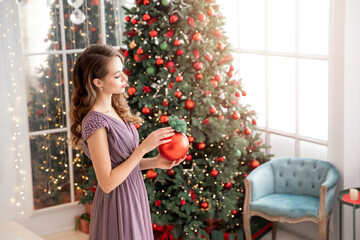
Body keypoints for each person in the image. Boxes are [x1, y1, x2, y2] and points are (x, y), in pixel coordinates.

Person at [69, 44, 186, 240]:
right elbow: (107, 182)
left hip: (133, 193)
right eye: (116, 76)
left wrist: (154, 162)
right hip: (117, 201)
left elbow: (123, 162)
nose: (125, 78)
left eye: (122, 72)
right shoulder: (95, 122)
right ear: (98, 82)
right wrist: (143, 149)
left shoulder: (116, 108)